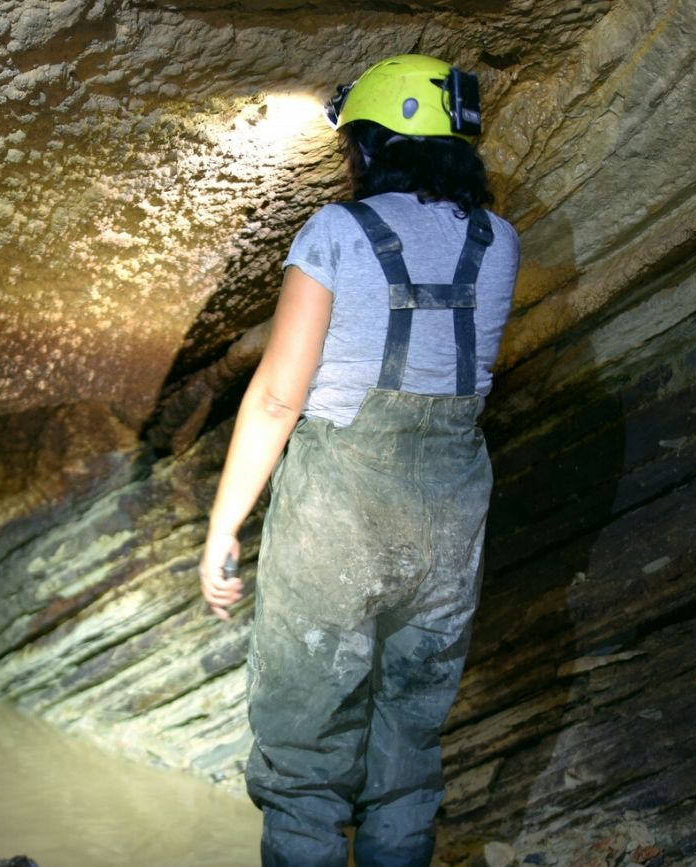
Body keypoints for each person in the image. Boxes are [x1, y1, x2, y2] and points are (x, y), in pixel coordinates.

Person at [198, 54, 520, 866]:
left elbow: (277, 396)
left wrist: (224, 525)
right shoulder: (499, 240)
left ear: (372, 149)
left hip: (342, 516)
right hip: (449, 518)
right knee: (408, 746)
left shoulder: (337, 233)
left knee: (306, 753)